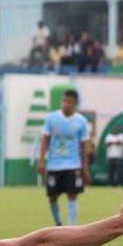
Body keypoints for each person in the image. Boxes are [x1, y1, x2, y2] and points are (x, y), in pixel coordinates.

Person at [37, 89, 90, 226]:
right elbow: (44, 140)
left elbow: (85, 147)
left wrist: (85, 168)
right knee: (51, 196)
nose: (66, 104)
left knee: (72, 195)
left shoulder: (81, 122)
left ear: (75, 104)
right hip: (54, 164)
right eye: (64, 101)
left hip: (73, 164)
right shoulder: (51, 119)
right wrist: (41, 160)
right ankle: (58, 223)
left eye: (69, 102)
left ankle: (72, 227)